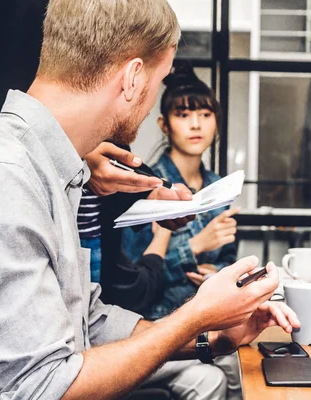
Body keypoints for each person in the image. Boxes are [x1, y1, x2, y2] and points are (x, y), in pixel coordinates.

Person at [0, 1, 300, 400]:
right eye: (159, 80)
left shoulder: (51, 167)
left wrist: (211, 335)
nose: (150, 106)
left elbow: (88, 325)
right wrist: (194, 316)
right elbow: (42, 388)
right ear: (132, 78)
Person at [0, 0, 172, 286]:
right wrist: (60, 148)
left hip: (82, 216)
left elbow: (103, 97)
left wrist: (140, 192)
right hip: (3, 198)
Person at [117, 65, 243, 399]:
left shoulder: (219, 187)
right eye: (184, 114)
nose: (196, 124)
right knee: (227, 368)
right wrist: (196, 247)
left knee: (245, 360)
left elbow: (228, 257)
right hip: (156, 321)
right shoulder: (146, 185)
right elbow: (132, 274)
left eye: (205, 113)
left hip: (206, 318)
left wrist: (218, 273)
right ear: (164, 124)